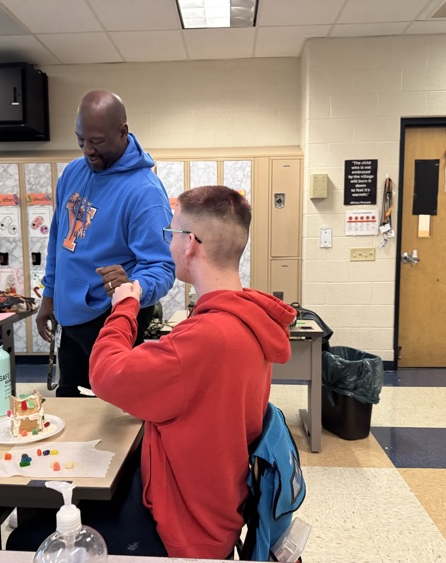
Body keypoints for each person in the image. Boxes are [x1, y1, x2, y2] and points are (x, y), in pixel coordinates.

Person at [87, 185, 297, 558]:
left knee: (28, 536)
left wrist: (125, 306)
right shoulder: (249, 319)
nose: (169, 244)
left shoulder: (205, 338)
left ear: (190, 244)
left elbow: (105, 372)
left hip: (185, 525)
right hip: (219, 505)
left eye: (171, 233)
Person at [36, 90, 175, 397]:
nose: (88, 150)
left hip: (110, 317)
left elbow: (163, 267)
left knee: (109, 414)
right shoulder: (73, 172)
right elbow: (60, 239)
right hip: (70, 315)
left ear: (122, 132)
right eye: (80, 139)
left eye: (96, 141)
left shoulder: (145, 192)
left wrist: (133, 286)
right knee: (71, 402)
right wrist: (50, 295)